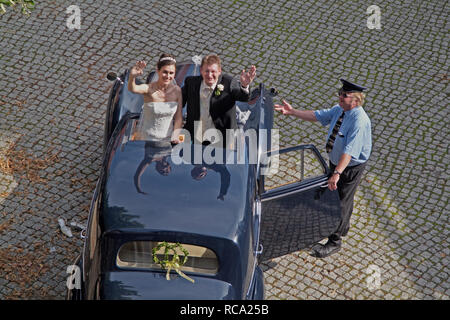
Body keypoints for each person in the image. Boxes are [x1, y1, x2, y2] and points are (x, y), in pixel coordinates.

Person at [274, 79, 372, 258]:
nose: (340, 97)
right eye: (340, 93)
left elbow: (349, 152)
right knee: (332, 195)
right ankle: (333, 225)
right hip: (337, 162)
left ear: (356, 101)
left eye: (345, 95)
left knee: (341, 201)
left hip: (348, 167)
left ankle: (335, 241)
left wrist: (336, 173)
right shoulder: (340, 110)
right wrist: (292, 112)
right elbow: (318, 115)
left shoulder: (359, 121)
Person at [182, 54, 256, 147]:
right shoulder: (191, 82)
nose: (209, 75)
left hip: (222, 138)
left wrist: (244, 86)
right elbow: (179, 100)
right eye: (206, 71)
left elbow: (243, 97)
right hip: (197, 135)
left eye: (213, 71)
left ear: (219, 71)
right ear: (201, 70)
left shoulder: (229, 83)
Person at [128, 53, 183, 144]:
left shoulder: (177, 91)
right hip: (147, 140)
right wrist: (132, 77)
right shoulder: (148, 89)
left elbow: (178, 116)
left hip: (168, 140)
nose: (168, 76)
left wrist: (175, 135)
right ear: (158, 71)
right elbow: (132, 88)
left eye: (171, 73)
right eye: (165, 72)